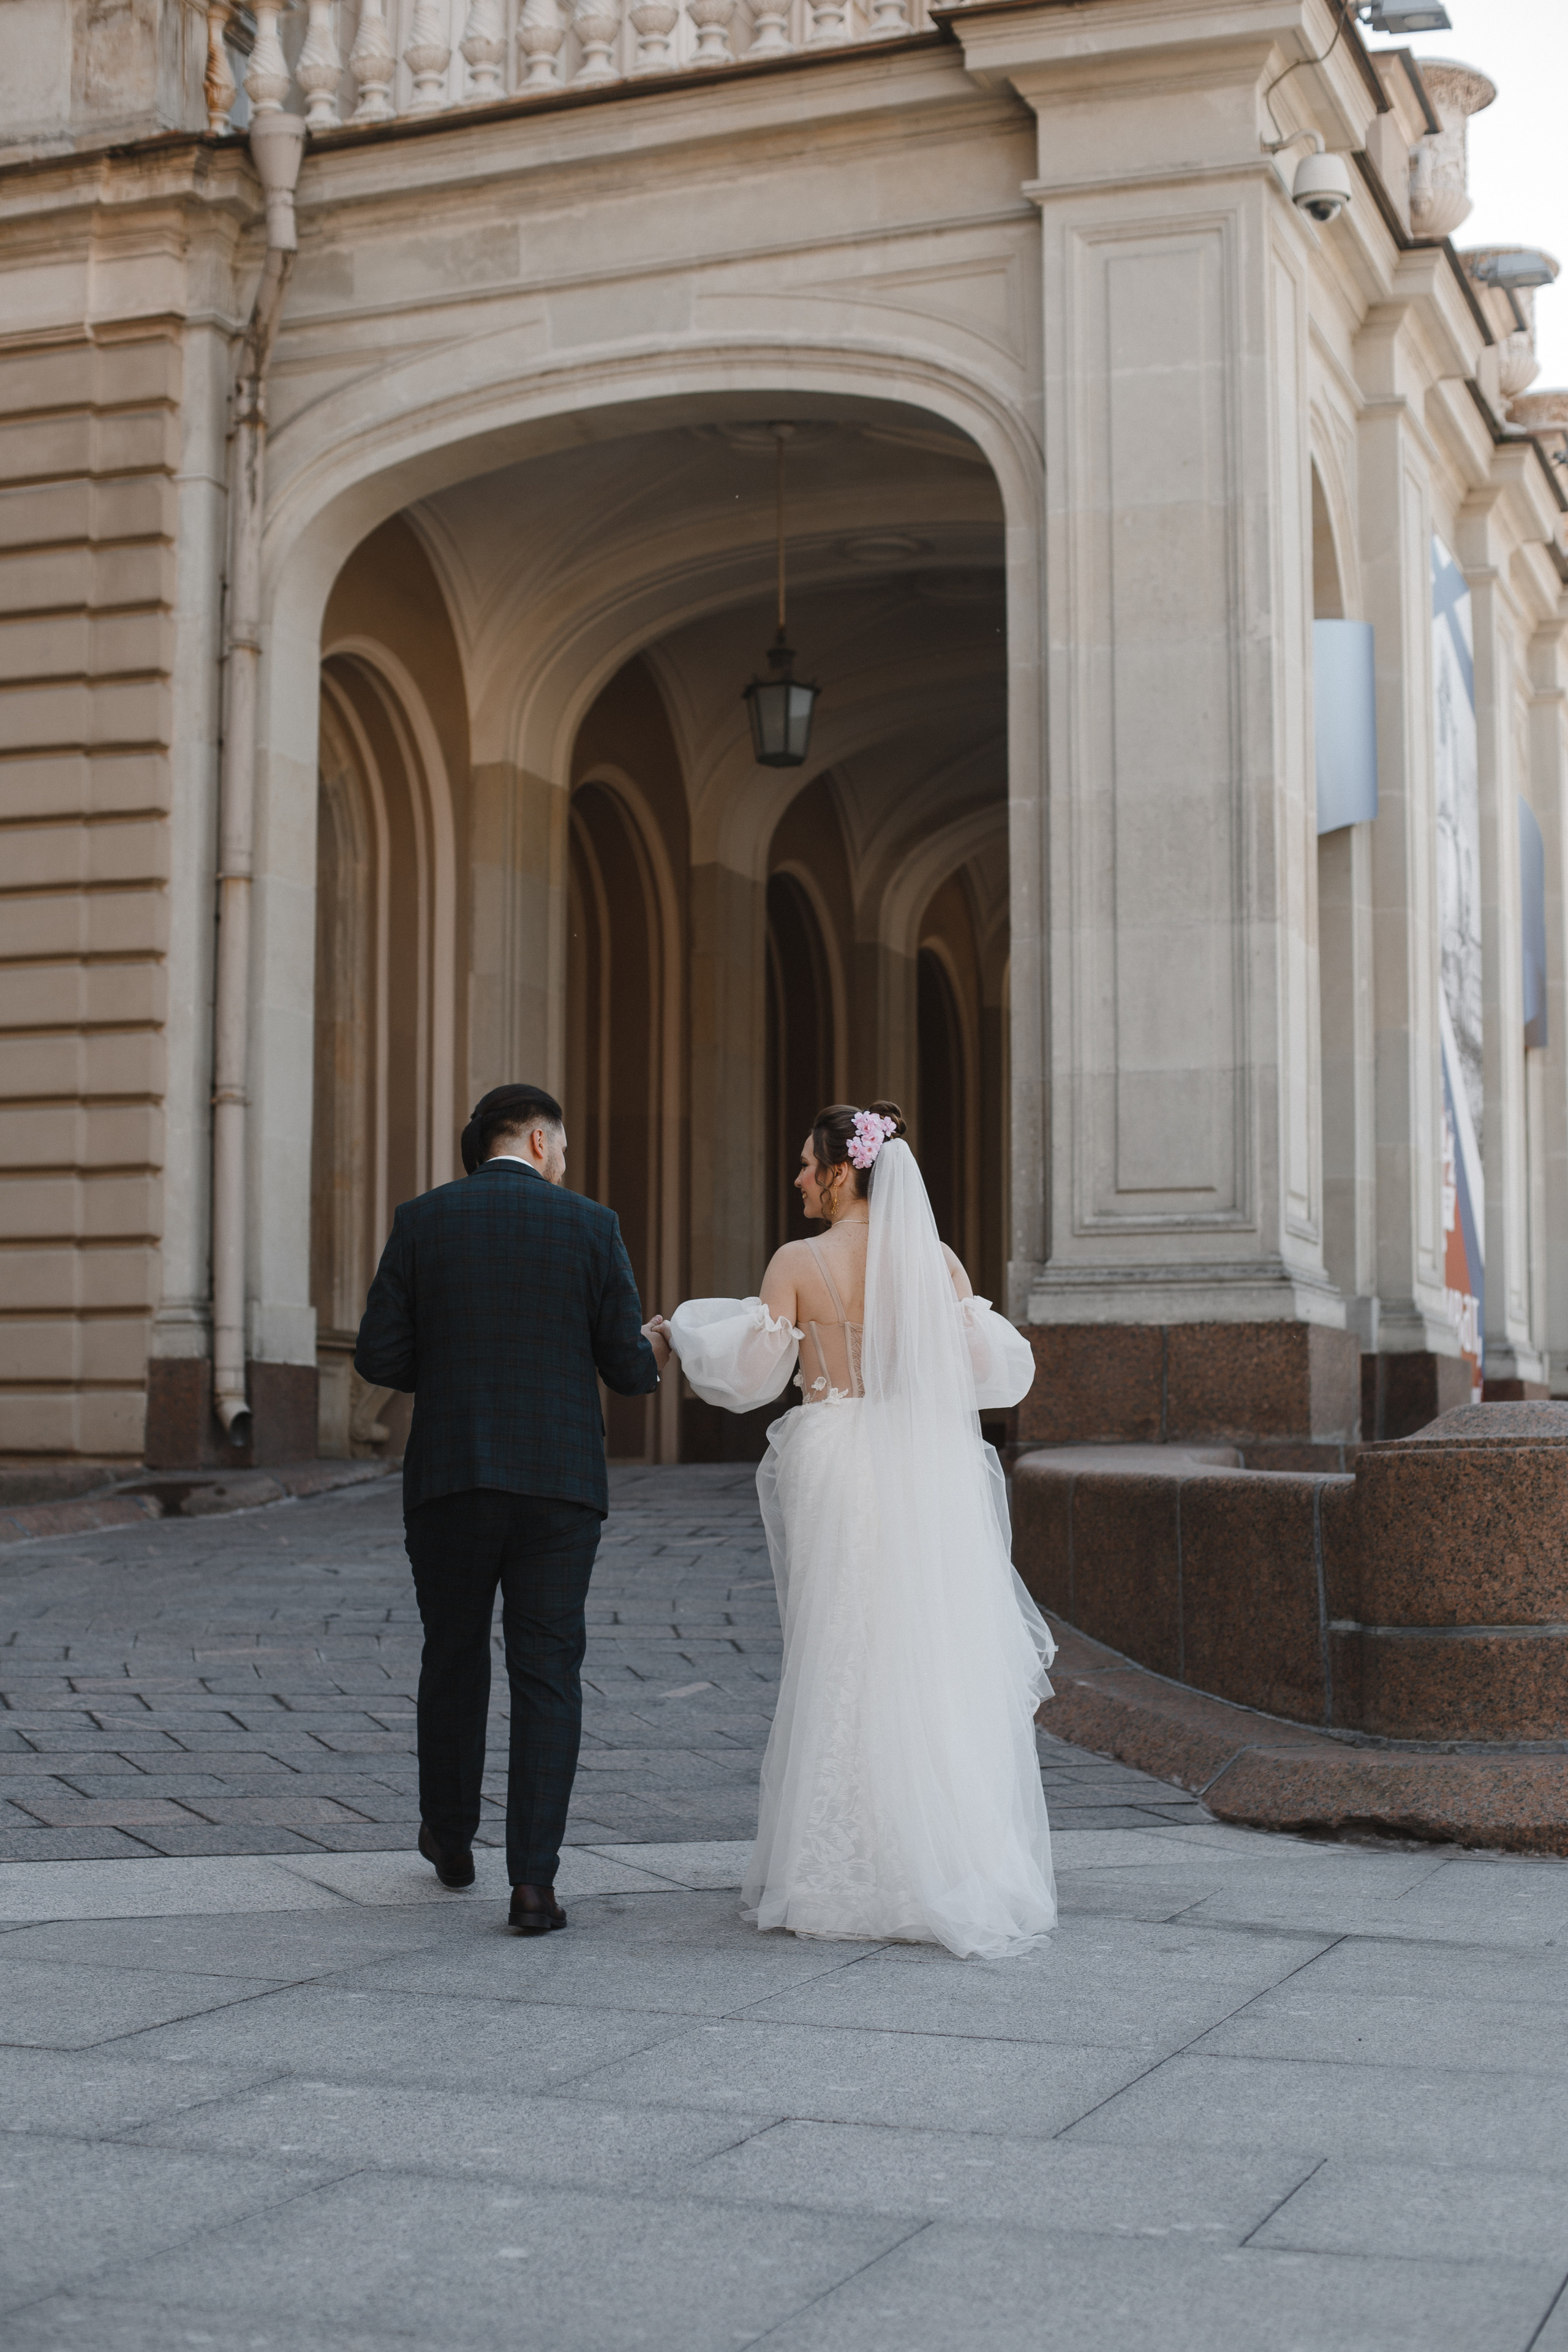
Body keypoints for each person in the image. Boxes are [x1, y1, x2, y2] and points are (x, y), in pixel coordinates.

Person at [656, 1101, 1054, 1960]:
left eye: (807, 1163)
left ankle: (839, 1869)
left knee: (841, 1645)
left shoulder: (801, 1260)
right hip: (925, 1462)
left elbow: (752, 1374)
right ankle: (947, 1859)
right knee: (927, 1651)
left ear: (842, 1171)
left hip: (838, 1459)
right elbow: (991, 1372)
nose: (797, 1177)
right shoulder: (936, 1261)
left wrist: (684, 1334)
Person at [353, 1083, 663, 1936]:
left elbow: (378, 1354)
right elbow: (629, 1370)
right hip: (561, 1485)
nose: (564, 1161)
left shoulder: (422, 1220)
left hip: (451, 1477)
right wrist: (658, 1343)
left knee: (452, 1657)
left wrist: (453, 1369)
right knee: (547, 1672)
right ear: (535, 1138)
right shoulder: (591, 1226)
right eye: (560, 1146)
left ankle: (452, 1843)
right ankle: (534, 1885)